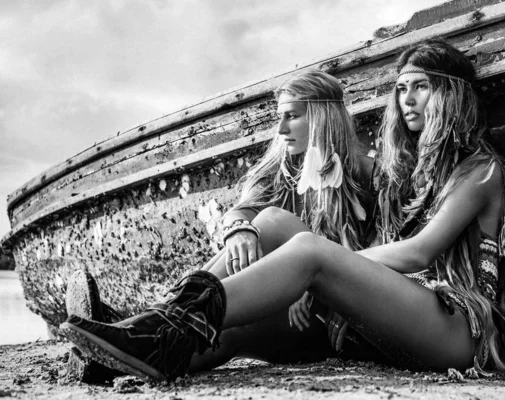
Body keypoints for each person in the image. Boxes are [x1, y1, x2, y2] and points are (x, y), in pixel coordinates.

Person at [60, 39, 505, 382]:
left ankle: (158, 323)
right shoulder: (407, 171)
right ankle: (127, 350)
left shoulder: (481, 170)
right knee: (262, 264)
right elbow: (314, 176)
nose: (406, 99)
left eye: (422, 87)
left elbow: (417, 254)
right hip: (400, 322)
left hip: (459, 331)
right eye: (402, 87)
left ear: (452, 95)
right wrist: (245, 224)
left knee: (308, 250)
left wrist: (324, 276)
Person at [65, 69, 379, 379]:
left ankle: (140, 324)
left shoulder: (370, 175)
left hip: (332, 322)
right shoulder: (282, 171)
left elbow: (390, 256)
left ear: (324, 116)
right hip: (287, 316)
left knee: (270, 220)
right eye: (279, 117)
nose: (281, 129)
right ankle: (109, 359)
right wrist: (239, 229)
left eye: (292, 116)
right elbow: (240, 212)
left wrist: (326, 294)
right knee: (227, 333)